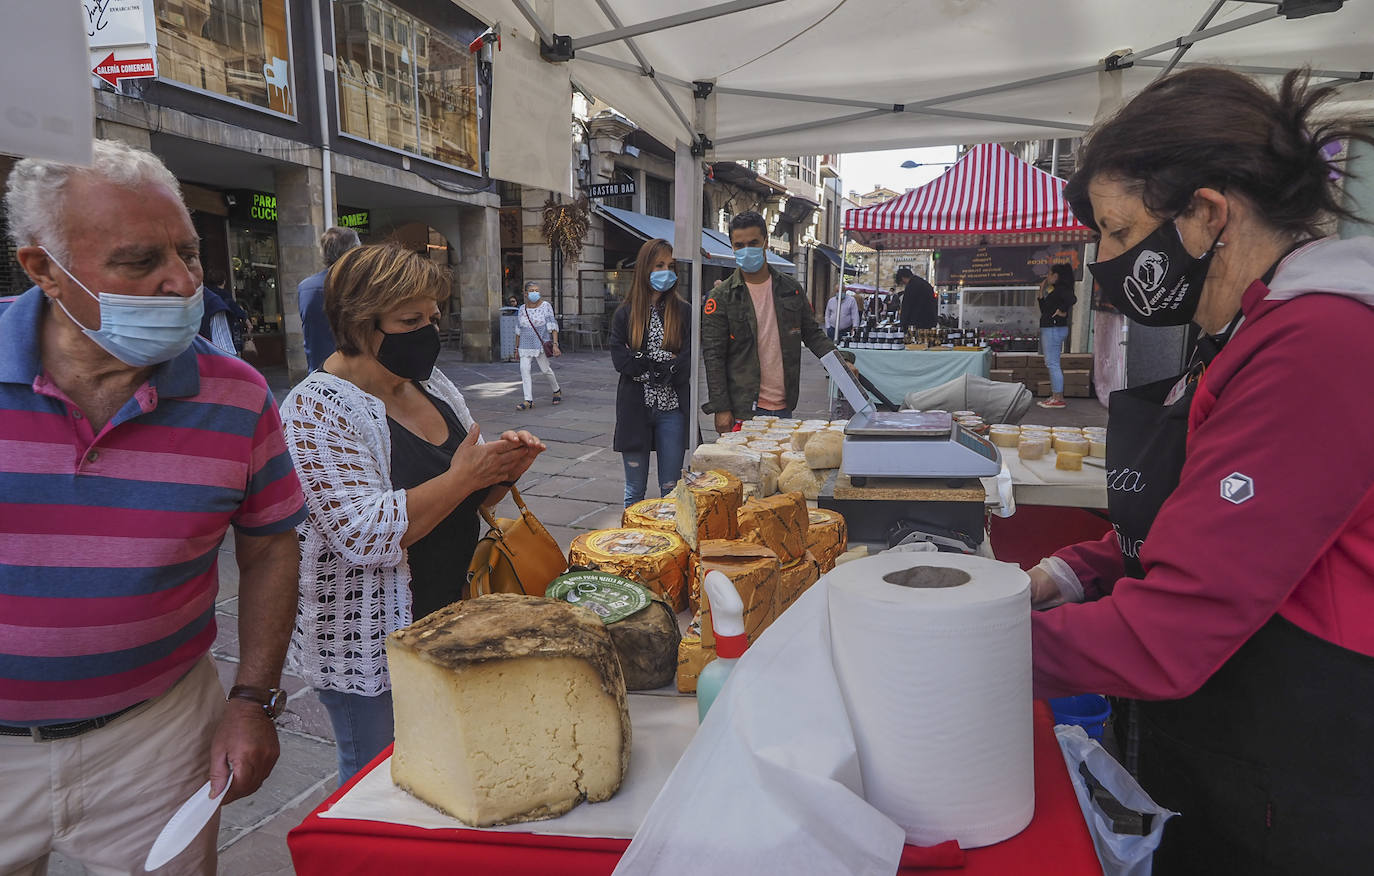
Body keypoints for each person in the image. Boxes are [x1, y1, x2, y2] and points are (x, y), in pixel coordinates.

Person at [1030, 68, 1374, 873]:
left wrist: (975, 646)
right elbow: (1199, 527)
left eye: (1117, 232)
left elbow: (1177, 627)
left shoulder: (1322, 345)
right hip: (1229, 741)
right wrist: (1068, 573)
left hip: (1296, 777)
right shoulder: (1248, 330)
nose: (1107, 262)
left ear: (1208, 212)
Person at [0, 140, 306, 873]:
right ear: (42, 267)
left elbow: (269, 544)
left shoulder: (236, 394)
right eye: (141, 261)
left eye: (188, 252)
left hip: (156, 736)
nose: (181, 282)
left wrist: (252, 698)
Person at [281, 244, 545, 782]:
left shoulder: (433, 385)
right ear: (358, 323)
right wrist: (463, 477)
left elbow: (466, 498)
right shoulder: (314, 410)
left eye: (433, 317)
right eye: (409, 320)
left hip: (446, 616)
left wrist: (501, 471)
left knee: (442, 770)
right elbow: (363, 533)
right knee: (377, 781)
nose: (427, 332)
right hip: (373, 643)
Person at [702, 211, 841, 431]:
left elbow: (813, 335)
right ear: (732, 247)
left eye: (753, 243)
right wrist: (721, 408)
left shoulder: (791, 289)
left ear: (765, 242)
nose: (746, 250)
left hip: (785, 407)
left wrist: (842, 363)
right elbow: (713, 357)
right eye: (739, 245)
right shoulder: (722, 297)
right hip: (743, 409)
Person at [610, 238, 691, 507]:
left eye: (670, 265)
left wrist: (645, 359)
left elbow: (687, 362)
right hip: (635, 409)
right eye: (659, 265)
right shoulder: (625, 314)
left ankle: (668, 546)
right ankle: (630, 545)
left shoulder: (684, 312)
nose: (666, 271)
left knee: (671, 490)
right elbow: (622, 361)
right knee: (634, 490)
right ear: (645, 268)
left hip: (673, 410)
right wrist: (664, 362)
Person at [298, 226, 360, 372]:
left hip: (318, 372)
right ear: (353, 251)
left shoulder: (306, 287)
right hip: (354, 374)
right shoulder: (361, 286)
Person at [1035, 263, 1077, 409]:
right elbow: (1045, 310)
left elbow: (1072, 299)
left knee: (1052, 364)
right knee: (1052, 363)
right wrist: (1041, 291)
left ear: (1056, 276)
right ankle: (1055, 395)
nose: (1048, 277)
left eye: (1050, 274)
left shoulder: (1062, 290)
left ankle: (1058, 398)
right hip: (1052, 328)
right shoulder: (1056, 290)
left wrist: (1062, 310)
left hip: (1053, 329)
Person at [515, 280, 561, 410]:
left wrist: (555, 344)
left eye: (537, 290)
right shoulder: (522, 309)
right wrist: (516, 348)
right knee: (524, 369)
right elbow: (518, 330)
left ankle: (556, 389)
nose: (535, 293)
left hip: (540, 344)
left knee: (546, 370)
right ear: (525, 293)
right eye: (531, 291)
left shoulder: (546, 306)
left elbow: (553, 326)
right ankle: (528, 400)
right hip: (524, 344)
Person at [199, 267, 248, 355]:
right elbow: (236, 309)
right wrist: (246, 319)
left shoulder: (204, 296)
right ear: (224, 281)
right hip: (225, 333)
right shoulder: (222, 296)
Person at [896, 265, 937, 330]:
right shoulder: (925, 284)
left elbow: (907, 306)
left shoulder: (911, 286)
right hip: (929, 320)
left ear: (903, 278)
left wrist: (903, 323)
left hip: (916, 322)